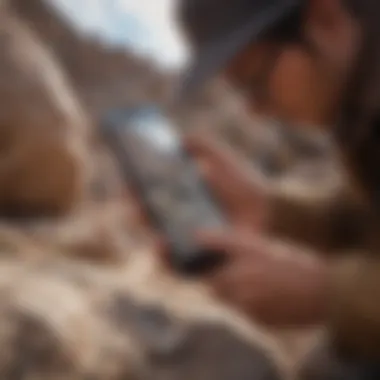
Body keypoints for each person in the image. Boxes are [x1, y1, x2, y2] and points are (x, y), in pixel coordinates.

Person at [176, 0, 380, 360]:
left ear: (324, 20)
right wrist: (268, 207)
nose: (254, 111)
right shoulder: (360, 106)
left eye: (254, 82)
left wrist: (325, 293)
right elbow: (361, 217)